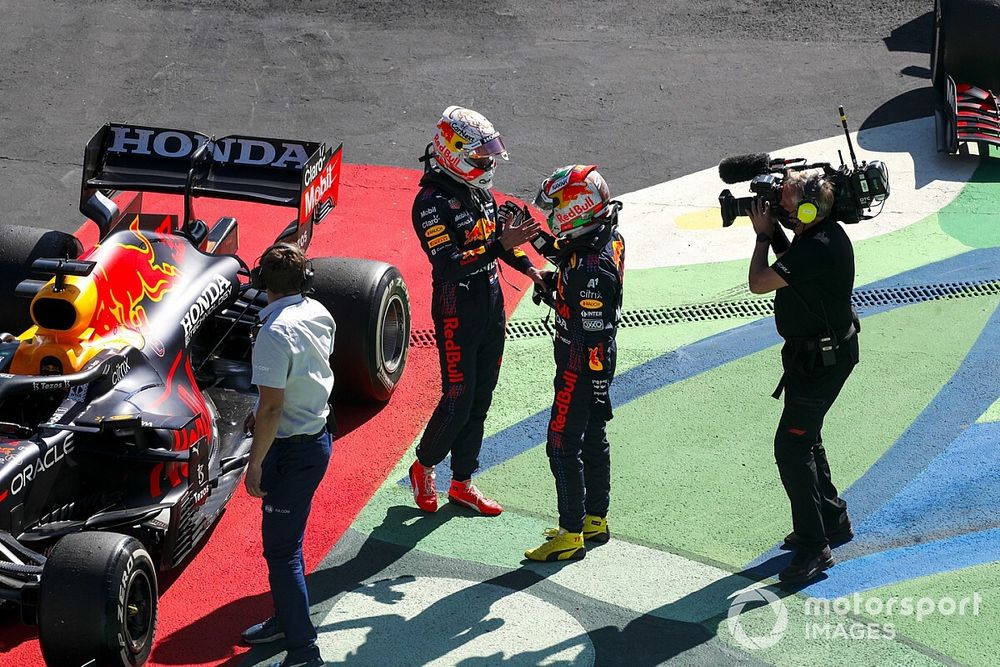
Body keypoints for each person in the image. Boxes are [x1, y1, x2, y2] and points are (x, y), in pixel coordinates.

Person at [409, 105, 544, 516]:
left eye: (489, 156)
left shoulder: (480, 193)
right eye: (480, 156)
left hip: (491, 302)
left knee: (481, 397)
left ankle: (463, 482)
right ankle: (424, 466)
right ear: (453, 152)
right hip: (456, 307)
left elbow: (501, 240)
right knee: (458, 398)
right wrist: (500, 247)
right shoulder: (430, 203)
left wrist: (529, 268)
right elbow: (448, 263)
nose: (487, 164)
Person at [747, 169, 859, 584]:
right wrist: (776, 229)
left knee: (792, 449)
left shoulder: (818, 247)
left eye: (789, 207)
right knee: (805, 437)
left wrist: (762, 236)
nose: (783, 211)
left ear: (810, 209)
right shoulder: (819, 235)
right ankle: (833, 518)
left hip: (820, 364)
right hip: (814, 358)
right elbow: (794, 261)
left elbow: (760, 282)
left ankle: (815, 548)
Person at [522, 165, 625, 562]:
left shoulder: (590, 270)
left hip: (581, 366)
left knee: (561, 445)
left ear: (577, 208)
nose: (551, 213)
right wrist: (553, 280)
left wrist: (596, 388)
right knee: (593, 436)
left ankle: (570, 533)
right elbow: (572, 265)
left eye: (556, 206)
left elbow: (592, 331)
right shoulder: (605, 233)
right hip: (594, 360)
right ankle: (594, 518)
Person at [241, 243, 334, 667]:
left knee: (281, 553)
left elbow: (272, 407)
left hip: (291, 452)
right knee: (289, 546)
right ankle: (284, 619)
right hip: (315, 440)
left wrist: (254, 463)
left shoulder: (273, 334)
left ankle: (302, 652)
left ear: (262, 283)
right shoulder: (319, 312)